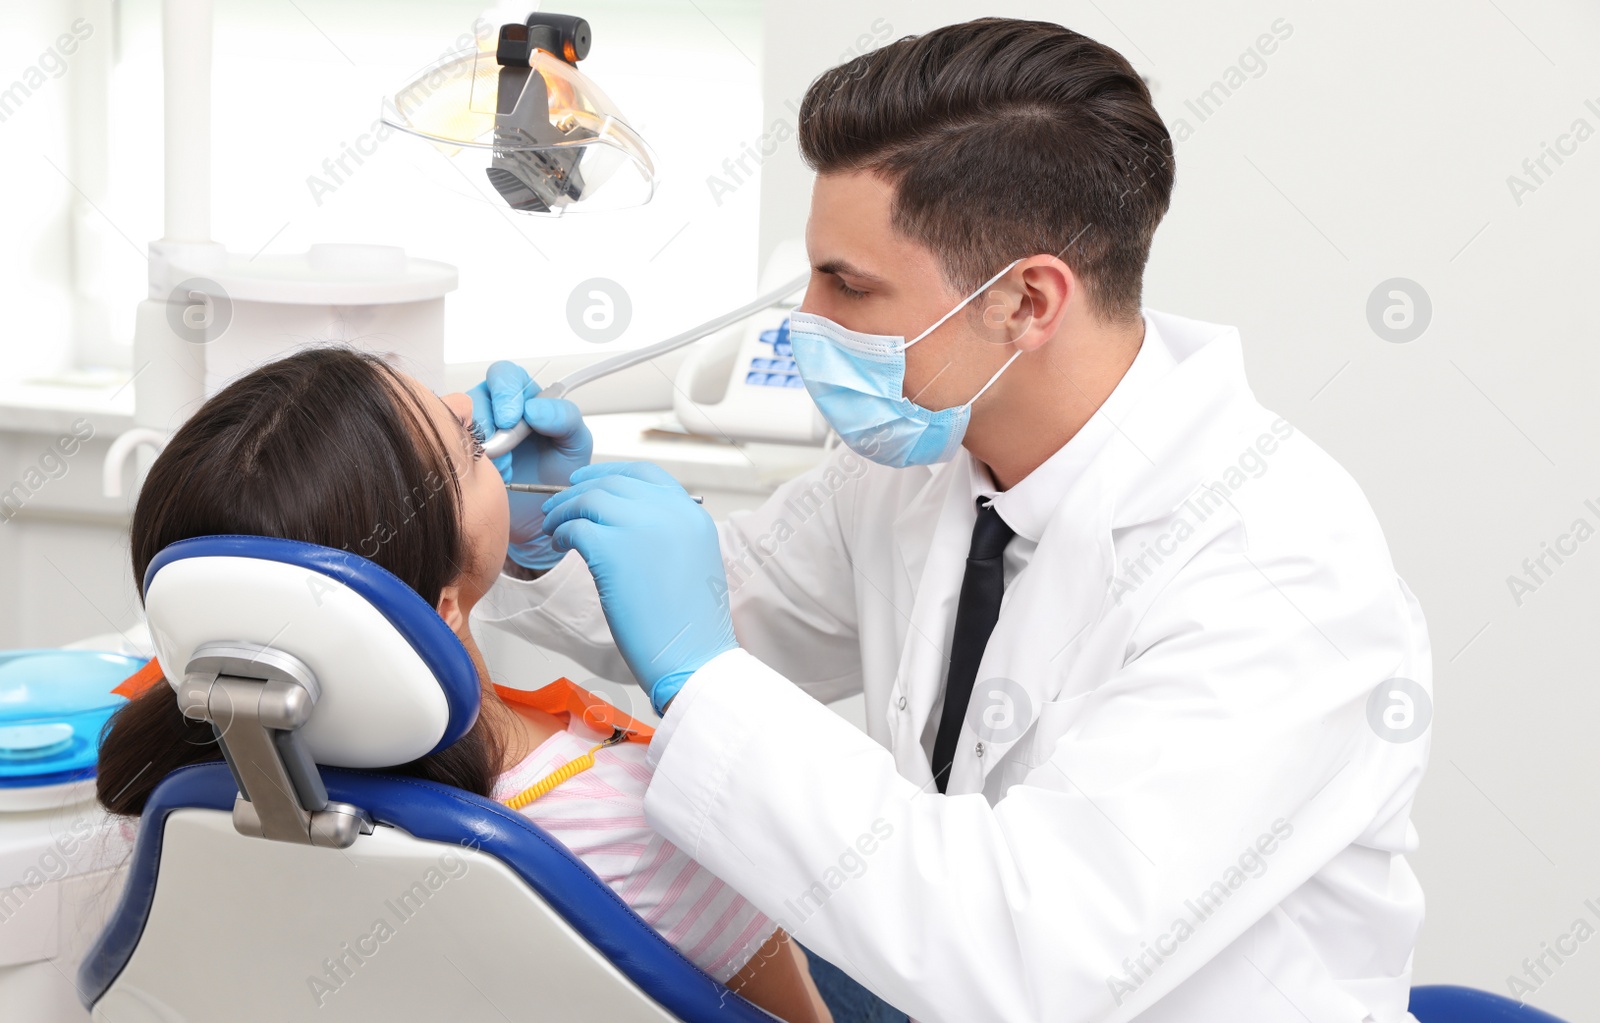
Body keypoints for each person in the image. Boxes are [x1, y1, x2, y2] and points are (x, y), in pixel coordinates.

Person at [473, 16, 1433, 1023]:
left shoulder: (1274, 570)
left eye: (847, 284)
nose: (802, 321)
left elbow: (1034, 955)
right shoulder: (927, 457)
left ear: (1025, 302)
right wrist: (539, 533)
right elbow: (735, 600)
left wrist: (699, 677)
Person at [94, 346, 831, 1023]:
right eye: (470, 448)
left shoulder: (180, 803)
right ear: (444, 608)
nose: (463, 399)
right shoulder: (641, 828)